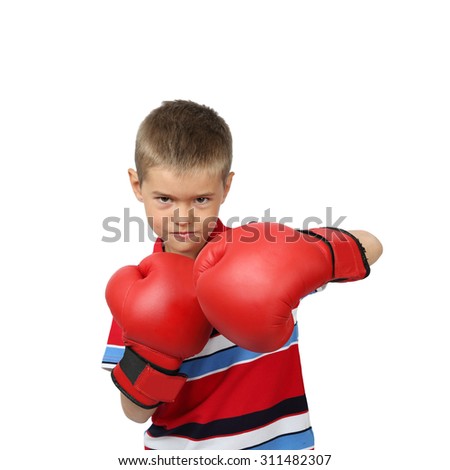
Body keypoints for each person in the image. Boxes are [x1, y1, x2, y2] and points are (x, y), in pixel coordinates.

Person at [101, 100, 383, 450]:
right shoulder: (136, 291)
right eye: (165, 199)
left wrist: (307, 252)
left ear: (226, 187)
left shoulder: (259, 256)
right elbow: (135, 414)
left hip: (281, 452)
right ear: (137, 185)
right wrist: (154, 353)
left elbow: (372, 245)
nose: (183, 216)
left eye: (201, 199)